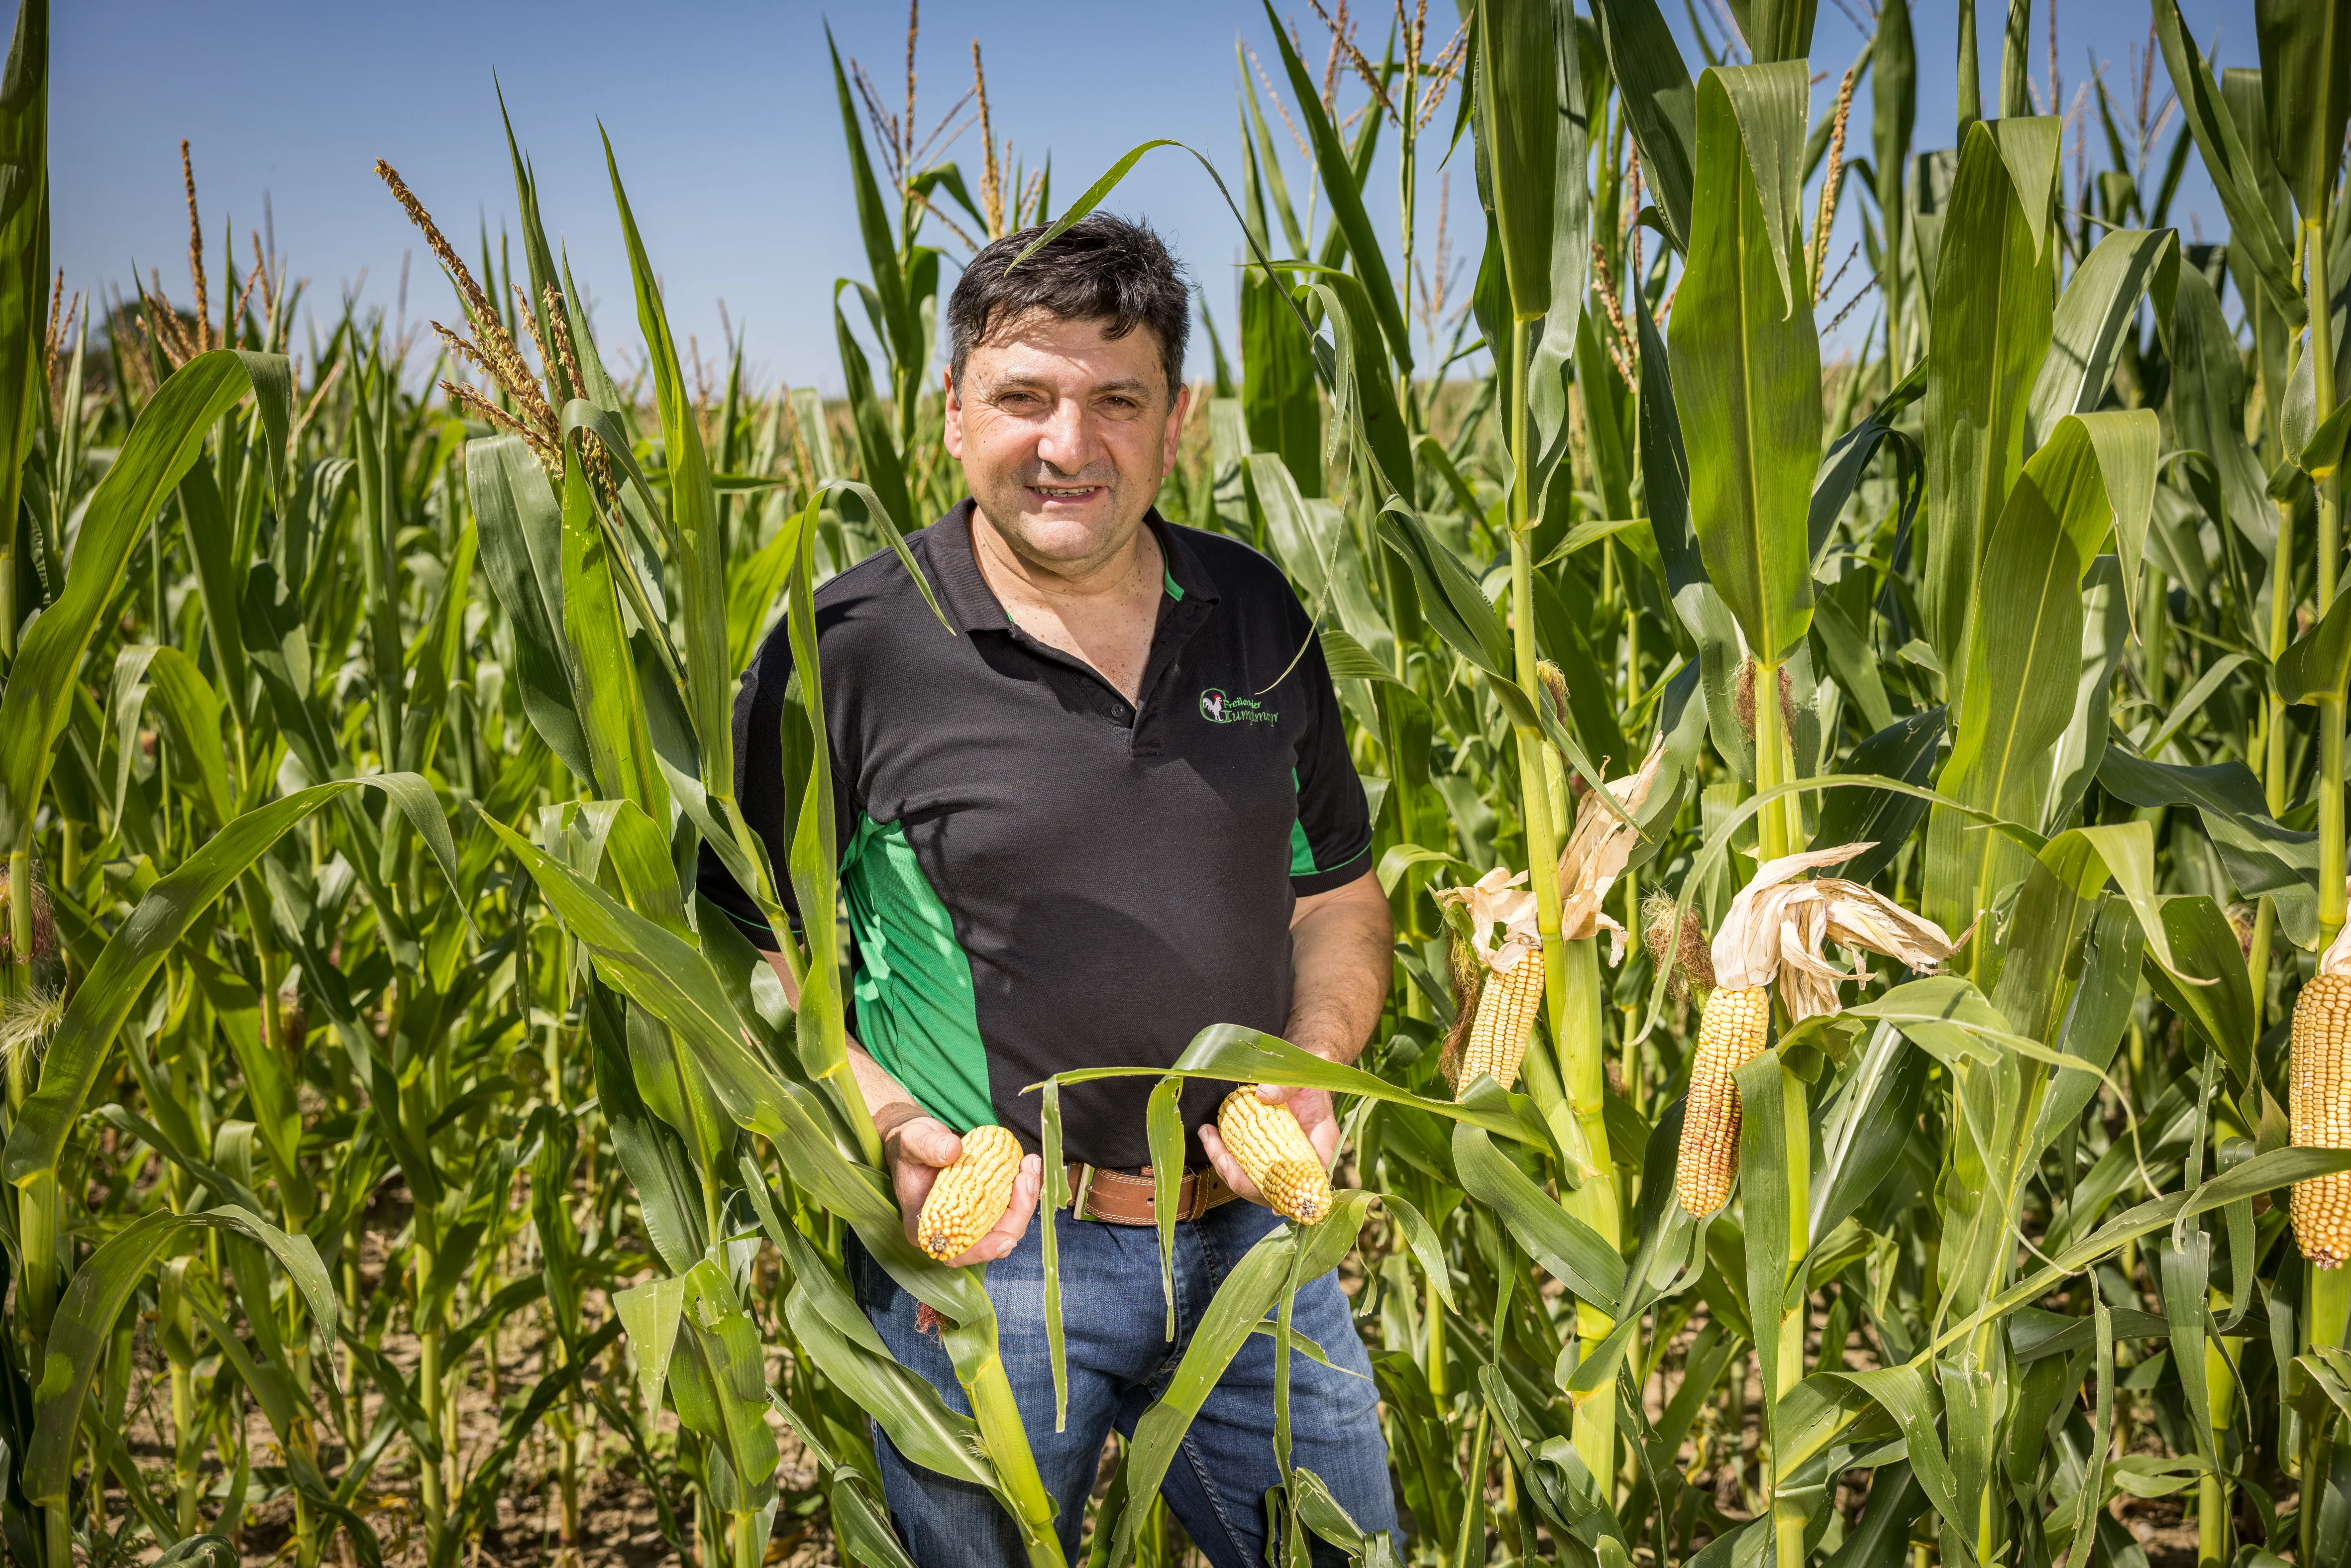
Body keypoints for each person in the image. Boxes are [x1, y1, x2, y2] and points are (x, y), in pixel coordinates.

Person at [698, 212, 1398, 1568]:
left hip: (1255, 1235)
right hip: (995, 1258)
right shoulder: (846, 645)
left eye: (1114, 400)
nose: (1068, 445)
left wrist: (1313, 1070)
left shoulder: (1253, 608)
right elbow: (753, 954)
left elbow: (1339, 897)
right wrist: (894, 1126)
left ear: (1176, 418)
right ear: (951, 413)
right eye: (1024, 397)